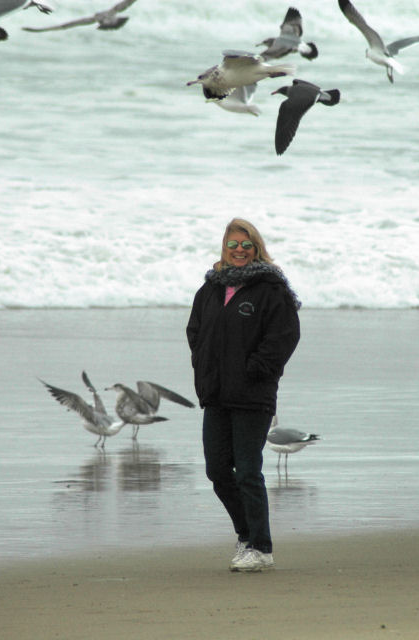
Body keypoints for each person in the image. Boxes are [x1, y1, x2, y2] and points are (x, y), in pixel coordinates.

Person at [186, 218, 301, 572]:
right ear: (224, 247)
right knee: (218, 470)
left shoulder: (271, 288)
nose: (239, 250)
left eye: (246, 245)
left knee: (248, 471)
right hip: (217, 395)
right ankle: (246, 535)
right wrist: (204, 367)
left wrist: (255, 370)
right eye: (233, 244)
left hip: (252, 395)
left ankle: (261, 548)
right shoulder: (210, 289)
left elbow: (285, 336)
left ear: (256, 248)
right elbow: (195, 332)